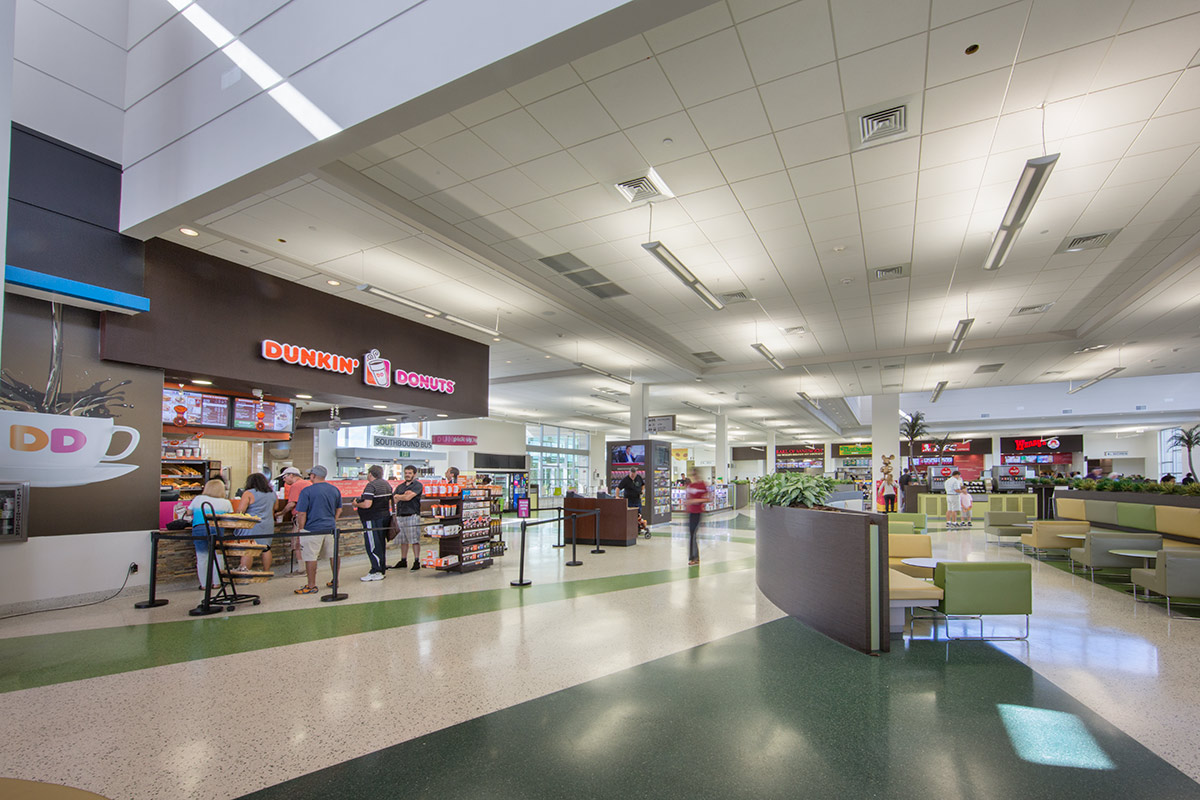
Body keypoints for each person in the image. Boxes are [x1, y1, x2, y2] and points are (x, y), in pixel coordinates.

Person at [293, 465, 343, 595]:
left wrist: (301, 530)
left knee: (311, 557)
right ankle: (335, 580)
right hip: (331, 529)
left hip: (312, 529)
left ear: (313, 476)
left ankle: (311, 586)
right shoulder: (334, 490)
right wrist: (333, 520)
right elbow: (339, 509)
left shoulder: (307, 491)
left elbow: (302, 513)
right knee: (334, 555)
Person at [188, 478, 232, 589]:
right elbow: (231, 517)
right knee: (218, 556)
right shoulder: (226, 502)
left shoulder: (198, 499)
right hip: (217, 529)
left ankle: (204, 585)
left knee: (202, 557)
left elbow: (188, 512)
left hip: (199, 528)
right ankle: (217, 583)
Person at [353, 465, 393, 581]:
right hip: (384, 517)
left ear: (370, 474)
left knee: (372, 545)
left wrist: (356, 504)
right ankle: (381, 567)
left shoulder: (371, 486)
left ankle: (376, 570)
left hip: (372, 519)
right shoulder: (386, 484)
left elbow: (367, 504)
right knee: (380, 544)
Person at [234, 472, 276, 574]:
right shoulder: (272, 493)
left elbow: (240, 511)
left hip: (252, 525)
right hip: (268, 524)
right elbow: (275, 508)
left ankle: (245, 573)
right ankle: (266, 572)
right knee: (266, 548)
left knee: (248, 550)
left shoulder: (248, 493)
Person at [392, 464, 424, 571]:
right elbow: (394, 500)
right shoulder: (400, 487)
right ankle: (403, 560)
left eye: (410, 473)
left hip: (412, 515)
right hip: (400, 515)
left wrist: (400, 496)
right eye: (406, 473)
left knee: (414, 539)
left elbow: (408, 497)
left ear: (414, 474)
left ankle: (416, 560)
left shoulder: (417, 485)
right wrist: (402, 496)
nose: (407, 475)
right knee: (403, 540)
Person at [684, 469, 710, 566]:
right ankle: (693, 557)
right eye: (692, 474)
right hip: (690, 513)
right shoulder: (690, 486)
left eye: (695, 474)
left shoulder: (703, 485)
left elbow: (708, 498)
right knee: (691, 535)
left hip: (698, 513)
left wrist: (696, 500)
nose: (694, 476)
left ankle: (694, 557)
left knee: (693, 534)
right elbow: (688, 498)